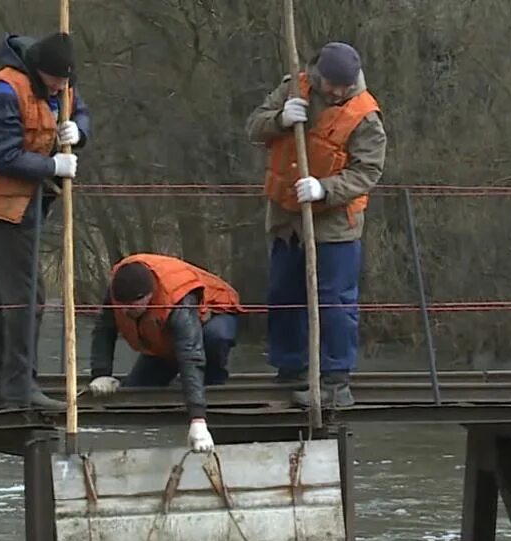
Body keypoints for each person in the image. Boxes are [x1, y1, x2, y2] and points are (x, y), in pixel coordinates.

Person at [245, 41, 386, 408]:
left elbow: (367, 172)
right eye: (332, 84)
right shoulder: (295, 87)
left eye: (344, 85)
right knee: (283, 293)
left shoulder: (365, 116)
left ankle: (336, 383)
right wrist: (280, 119)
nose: (337, 92)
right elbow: (254, 127)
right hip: (285, 217)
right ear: (320, 75)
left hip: (335, 223)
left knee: (334, 303)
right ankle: (291, 369)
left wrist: (325, 189)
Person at [0, 31, 92, 411]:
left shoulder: (60, 81)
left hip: (32, 201)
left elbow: (79, 109)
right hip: (0, 201)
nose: (62, 89)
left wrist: (79, 131)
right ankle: (19, 388)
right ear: (40, 71)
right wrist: (52, 165)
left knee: (7, 292)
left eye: (66, 83)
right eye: (56, 82)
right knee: (27, 294)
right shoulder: (5, 91)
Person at [86, 254, 244, 453]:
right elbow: (104, 329)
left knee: (215, 338)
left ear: (148, 296)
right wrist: (101, 373)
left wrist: (197, 419)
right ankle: (184, 385)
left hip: (213, 318)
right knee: (135, 398)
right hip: (164, 340)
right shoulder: (118, 286)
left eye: (132, 307)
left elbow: (190, 353)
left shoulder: (178, 297)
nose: (125, 311)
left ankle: (210, 384)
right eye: (121, 306)